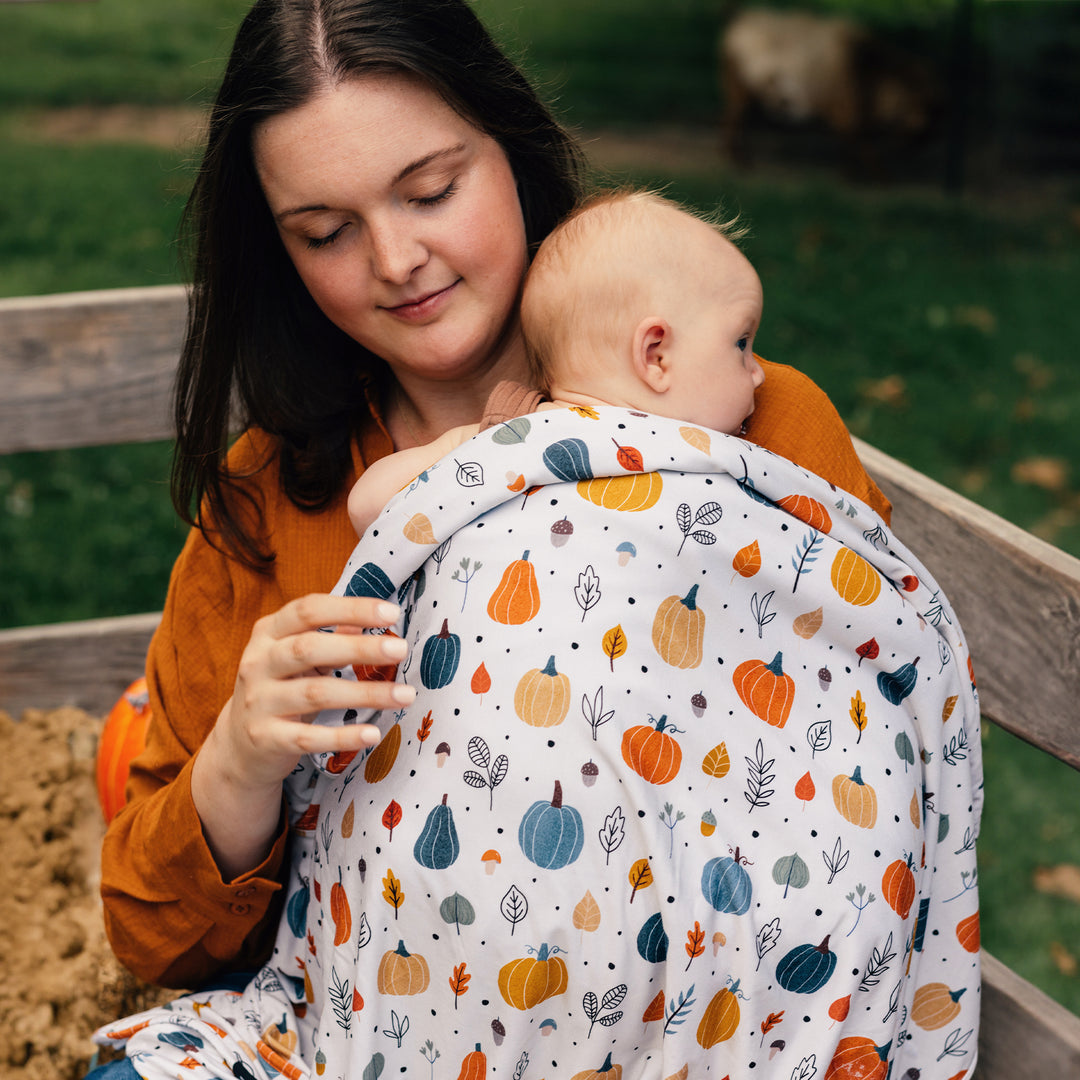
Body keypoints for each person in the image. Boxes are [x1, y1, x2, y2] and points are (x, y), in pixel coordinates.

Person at [89, 0, 983, 1076]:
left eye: (431, 191)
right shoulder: (275, 495)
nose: (395, 258)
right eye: (324, 232)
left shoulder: (745, 428)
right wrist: (242, 755)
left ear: (511, 148)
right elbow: (156, 937)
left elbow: (861, 782)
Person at [346, 188, 766, 538]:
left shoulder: (742, 458)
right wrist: (473, 450)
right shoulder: (511, 431)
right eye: (740, 343)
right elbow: (370, 507)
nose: (758, 372)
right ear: (654, 355)